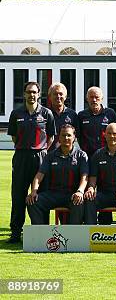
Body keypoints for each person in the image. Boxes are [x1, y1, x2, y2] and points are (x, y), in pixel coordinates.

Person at [8, 81, 55, 243]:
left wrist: (42, 151)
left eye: (34, 92)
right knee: (18, 195)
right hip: (21, 157)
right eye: (28, 92)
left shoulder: (47, 113)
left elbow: (51, 137)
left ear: (39, 94)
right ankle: (15, 232)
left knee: (42, 195)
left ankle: (42, 230)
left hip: (40, 158)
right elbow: (14, 137)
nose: (31, 95)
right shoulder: (16, 114)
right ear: (24, 94)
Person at [26, 124, 87, 225]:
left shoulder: (81, 155)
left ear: (74, 137)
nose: (66, 138)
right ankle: (41, 234)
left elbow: (84, 177)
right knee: (33, 201)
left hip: (72, 194)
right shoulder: (50, 155)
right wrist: (34, 191)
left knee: (79, 202)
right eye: (63, 135)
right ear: (59, 137)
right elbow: (39, 175)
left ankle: (73, 235)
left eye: (68, 135)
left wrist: (80, 191)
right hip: (53, 194)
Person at [77, 86, 116, 158]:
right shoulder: (81, 115)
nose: (94, 100)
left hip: (107, 155)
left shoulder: (110, 113)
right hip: (88, 156)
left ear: (102, 99)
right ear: (87, 99)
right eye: (91, 97)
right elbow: (79, 136)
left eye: (97, 97)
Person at [47, 82, 78, 149]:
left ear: (65, 97)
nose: (58, 96)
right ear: (50, 97)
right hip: (48, 154)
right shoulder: (45, 114)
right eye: (55, 94)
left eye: (61, 94)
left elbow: (76, 136)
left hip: (67, 154)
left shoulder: (72, 114)